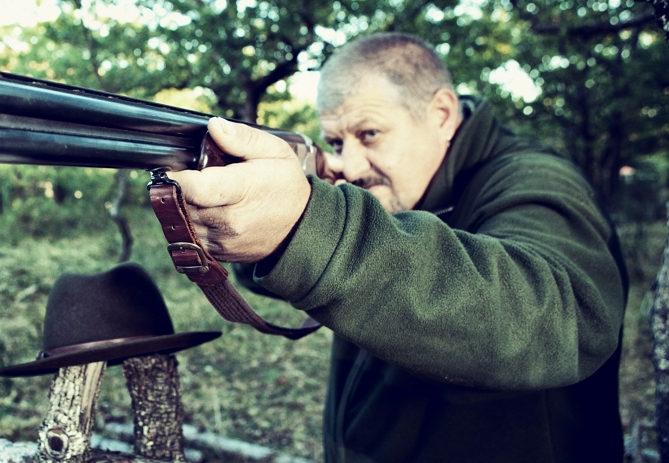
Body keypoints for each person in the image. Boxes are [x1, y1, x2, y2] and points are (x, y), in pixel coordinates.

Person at [168, 33, 628, 462]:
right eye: (335, 142)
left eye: (369, 134)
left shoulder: (532, 178)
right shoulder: (401, 192)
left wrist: (309, 223)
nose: (350, 165)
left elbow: (554, 316)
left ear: (442, 115)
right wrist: (267, 223)